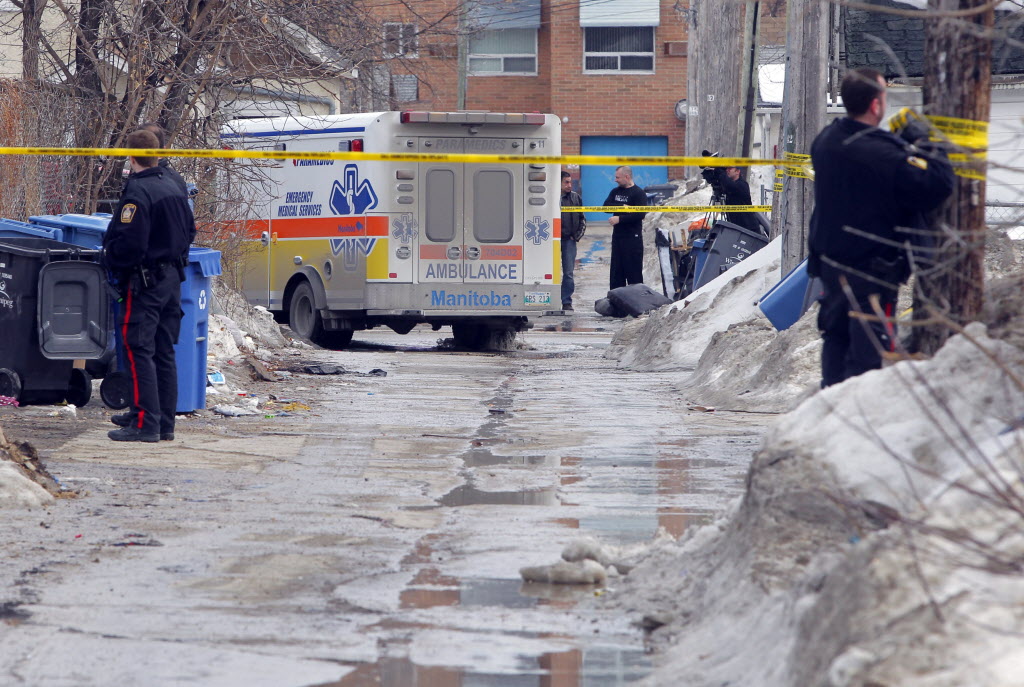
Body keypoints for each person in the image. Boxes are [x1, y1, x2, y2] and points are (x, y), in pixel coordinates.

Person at [808, 67, 954, 388]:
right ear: (876, 105)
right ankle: (860, 418)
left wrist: (894, 144)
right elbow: (938, 184)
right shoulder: (881, 155)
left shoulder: (826, 141)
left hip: (831, 265)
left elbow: (867, 168)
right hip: (871, 272)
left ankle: (830, 409)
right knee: (868, 355)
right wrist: (924, 140)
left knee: (836, 338)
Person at [103, 129, 196, 442]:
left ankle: (145, 424)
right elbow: (191, 231)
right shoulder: (174, 184)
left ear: (131, 157)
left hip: (144, 281)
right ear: (158, 154)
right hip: (172, 279)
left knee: (137, 349)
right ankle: (163, 422)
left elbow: (131, 243)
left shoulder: (138, 192)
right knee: (162, 350)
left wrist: (112, 259)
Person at [603, 165, 648, 289]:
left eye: (618, 177)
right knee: (616, 274)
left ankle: (637, 303)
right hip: (618, 238)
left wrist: (620, 219)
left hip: (633, 239)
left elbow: (639, 214)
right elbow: (606, 206)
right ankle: (617, 303)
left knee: (634, 274)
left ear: (627, 177)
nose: (615, 180)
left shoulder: (639, 193)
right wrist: (624, 206)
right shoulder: (615, 191)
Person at [701, 164, 763, 235]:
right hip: (737, 227)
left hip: (749, 228)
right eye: (726, 169)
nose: (727, 171)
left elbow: (729, 185)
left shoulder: (742, 185)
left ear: (737, 172)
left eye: (730, 169)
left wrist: (719, 170)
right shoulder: (730, 186)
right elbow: (724, 185)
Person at [560, 171, 586, 311]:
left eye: (570, 182)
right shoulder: (552, 198)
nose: (570, 185)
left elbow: (582, 218)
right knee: (548, 273)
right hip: (551, 241)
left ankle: (566, 301)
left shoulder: (576, 198)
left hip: (569, 241)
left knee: (568, 273)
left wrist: (576, 236)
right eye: (566, 182)